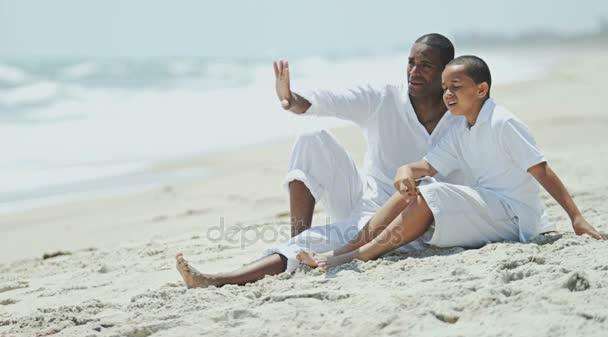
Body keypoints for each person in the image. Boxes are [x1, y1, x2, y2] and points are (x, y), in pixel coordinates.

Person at [175, 33, 466, 288]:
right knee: (311, 136)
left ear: (445, 74)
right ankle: (296, 239)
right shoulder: (384, 98)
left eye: (425, 65)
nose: (414, 71)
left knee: (324, 239)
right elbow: (334, 99)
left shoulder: (462, 115)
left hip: (405, 221)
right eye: (411, 62)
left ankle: (220, 280)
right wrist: (293, 99)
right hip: (364, 201)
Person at [297, 55, 605, 271]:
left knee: (434, 193)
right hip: (488, 208)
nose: (447, 94)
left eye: (456, 87)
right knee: (415, 186)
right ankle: (345, 249)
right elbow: (426, 166)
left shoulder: (502, 122)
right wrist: (406, 171)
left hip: (515, 217)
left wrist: (576, 217)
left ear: (481, 89)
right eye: (444, 88)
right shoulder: (461, 128)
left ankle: (357, 256)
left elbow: (542, 170)